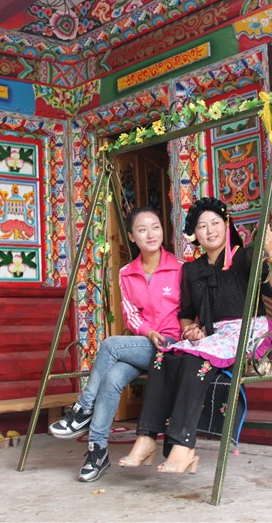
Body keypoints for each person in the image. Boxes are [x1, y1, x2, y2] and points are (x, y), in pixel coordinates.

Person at [119, 197, 272, 474]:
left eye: (215, 223)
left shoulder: (245, 256)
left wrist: (271, 251)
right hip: (215, 336)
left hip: (249, 331)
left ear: (227, 225)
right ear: (194, 233)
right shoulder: (192, 269)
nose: (210, 231)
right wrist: (189, 329)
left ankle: (183, 446)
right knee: (163, 357)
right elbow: (187, 313)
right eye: (202, 226)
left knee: (195, 361)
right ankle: (146, 437)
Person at [49, 206, 183, 482]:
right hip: (146, 343)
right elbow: (131, 314)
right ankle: (97, 450)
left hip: (173, 346)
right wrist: (148, 333)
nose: (151, 234)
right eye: (142, 230)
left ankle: (83, 409)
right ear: (132, 236)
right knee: (112, 378)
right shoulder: (126, 273)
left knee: (110, 344)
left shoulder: (180, 268)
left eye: (155, 227)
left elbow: (189, 310)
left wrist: (171, 335)